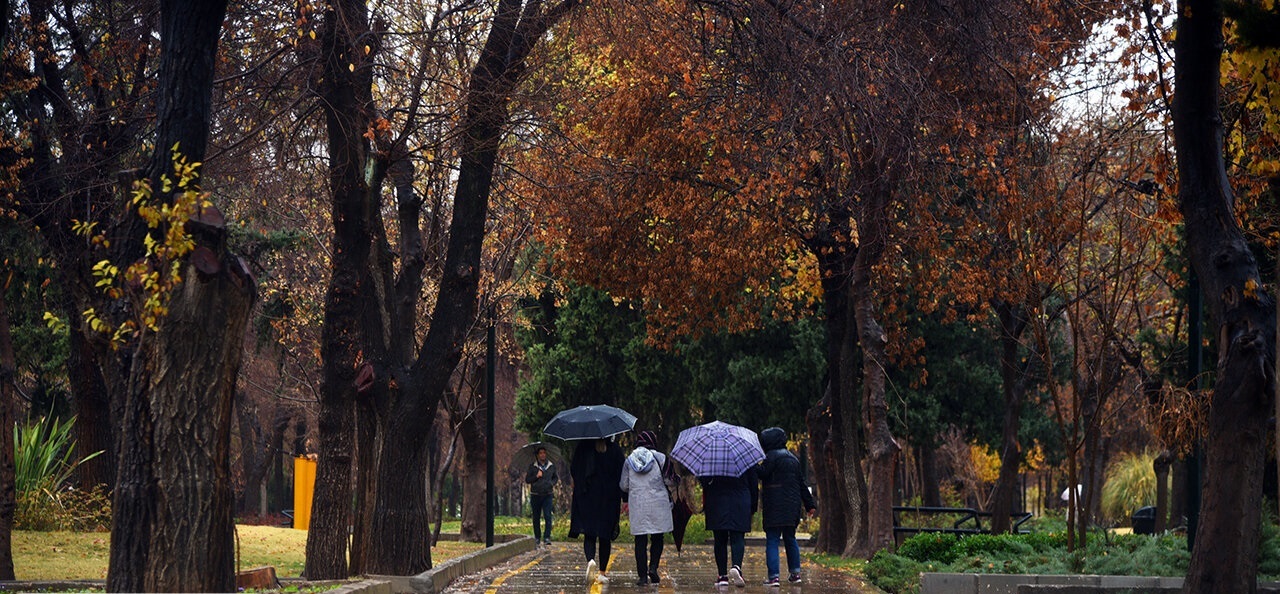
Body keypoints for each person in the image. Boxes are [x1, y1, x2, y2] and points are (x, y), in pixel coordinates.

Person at [757, 427, 817, 586]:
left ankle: (774, 577)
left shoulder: (771, 457)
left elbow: (762, 473)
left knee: (772, 540)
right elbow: (802, 484)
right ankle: (795, 573)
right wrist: (810, 504)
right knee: (791, 538)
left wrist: (753, 465)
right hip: (792, 506)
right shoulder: (793, 459)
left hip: (774, 506)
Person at [620, 430, 674, 586]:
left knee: (640, 540)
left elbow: (623, 485)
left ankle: (642, 576)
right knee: (658, 537)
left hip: (638, 505)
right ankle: (653, 567)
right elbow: (670, 481)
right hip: (658, 504)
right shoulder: (661, 458)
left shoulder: (629, 460)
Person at [570, 437, 625, 584]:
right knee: (605, 535)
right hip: (608, 499)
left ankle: (590, 561)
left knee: (590, 532)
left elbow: (574, 469)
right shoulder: (614, 450)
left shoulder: (583, 448)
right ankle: (602, 572)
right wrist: (623, 496)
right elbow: (622, 473)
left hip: (587, 497)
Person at [701, 464, 758, 588]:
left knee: (720, 539)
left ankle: (722, 576)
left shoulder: (713, 457)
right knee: (737, 537)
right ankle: (736, 566)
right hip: (740, 499)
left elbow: (704, 481)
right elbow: (754, 483)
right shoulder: (745, 457)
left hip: (717, 500)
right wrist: (753, 506)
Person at [524, 446, 558, 546]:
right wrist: (536, 476)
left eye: (544, 453)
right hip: (536, 495)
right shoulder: (532, 467)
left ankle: (547, 537)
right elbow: (528, 480)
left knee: (548, 516)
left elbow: (555, 477)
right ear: (538, 455)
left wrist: (551, 483)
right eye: (541, 453)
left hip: (547, 494)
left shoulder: (551, 466)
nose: (543, 455)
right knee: (536, 517)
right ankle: (537, 537)